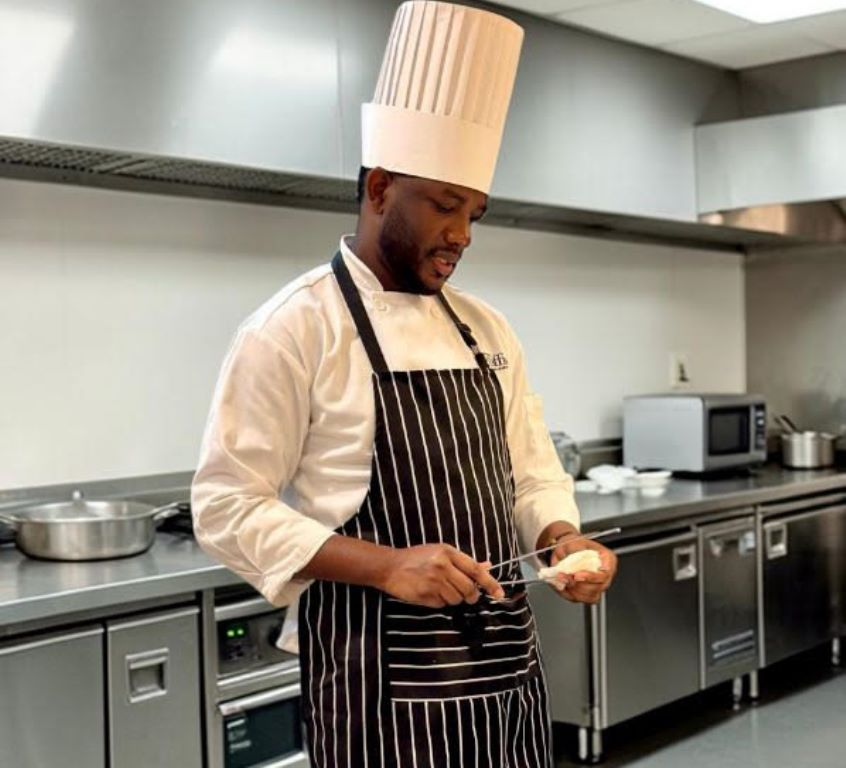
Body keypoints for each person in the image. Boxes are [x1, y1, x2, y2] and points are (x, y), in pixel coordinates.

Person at [192, 2, 617, 766]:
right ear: (382, 186)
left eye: (475, 213)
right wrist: (388, 566)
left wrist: (561, 539)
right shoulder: (294, 329)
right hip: (372, 681)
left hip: (504, 669)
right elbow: (225, 507)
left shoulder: (486, 329)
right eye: (445, 206)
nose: (462, 235)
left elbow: (530, 472)